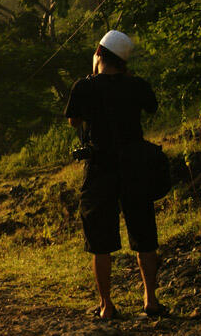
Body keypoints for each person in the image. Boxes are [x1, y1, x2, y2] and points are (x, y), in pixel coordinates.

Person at [63, 30, 167, 320]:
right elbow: (151, 107)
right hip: (135, 166)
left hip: (99, 168)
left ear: (99, 52)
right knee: (144, 234)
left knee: (101, 239)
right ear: (124, 61)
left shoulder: (84, 87)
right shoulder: (137, 85)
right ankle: (151, 300)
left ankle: (107, 304)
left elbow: (74, 121)